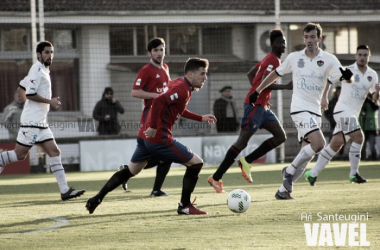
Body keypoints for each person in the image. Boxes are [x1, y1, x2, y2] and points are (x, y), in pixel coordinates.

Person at [86, 58, 216, 215]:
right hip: (159, 138)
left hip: (144, 136)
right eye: (202, 74)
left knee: (131, 171)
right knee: (196, 163)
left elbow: (176, 108)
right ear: (190, 74)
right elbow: (159, 101)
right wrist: (154, 127)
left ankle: (97, 198)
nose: (205, 78)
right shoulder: (182, 89)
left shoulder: (179, 84)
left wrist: (200, 118)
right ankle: (185, 205)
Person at [251, 23, 353, 199]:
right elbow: (275, 74)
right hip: (299, 109)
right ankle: (289, 171)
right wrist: (258, 90)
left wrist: (347, 78)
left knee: (306, 156)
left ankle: (283, 191)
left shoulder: (329, 59)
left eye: (313, 37)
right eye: (306, 37)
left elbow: (341, 77)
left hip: (315, 111)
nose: (309, 41)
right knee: (320, 144)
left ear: (319, 39)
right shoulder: (294, 58)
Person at [208, 28, 292, 193]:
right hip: (255, 107)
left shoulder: (268, 59)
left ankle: (246, 161)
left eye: (284, 41)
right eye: (279, 42)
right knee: (241, 142)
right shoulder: (273, 60)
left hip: (263, 107)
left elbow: (251, 74)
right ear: (272, 43)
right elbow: (263, 81)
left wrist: (259, 94)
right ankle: (216, 178)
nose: (283, 44)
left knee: (280, 136)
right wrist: (285, 86)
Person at [0, 41, 85, 200]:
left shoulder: (43, 70)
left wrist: (30, 105)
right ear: (39, 54)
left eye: (51, 52)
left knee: (54, 151)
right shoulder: (37, 69)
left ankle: (65, 190)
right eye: (46, 52)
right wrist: (49, 102)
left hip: (40, 122)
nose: (49, 55)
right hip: (32, 123)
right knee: (20, 155)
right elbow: (30, 94)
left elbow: (21, 87)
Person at [305, 45, 379, 185]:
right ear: (356, 56)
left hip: (353, 114)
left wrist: (377, 92)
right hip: (342, 110)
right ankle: (353, 174)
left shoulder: (372, 75)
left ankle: (312, 173)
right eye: (360, 55)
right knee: (359, 137)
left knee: (335, 145)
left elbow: (374, 98)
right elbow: (330, 80)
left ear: (368, 57)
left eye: (365, 55)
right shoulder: (348, 70)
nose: (362, 57)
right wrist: (324, 97)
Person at [118, 37, 173, 196]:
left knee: (161, 157)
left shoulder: (166, 68)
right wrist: (155, 96)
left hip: (163, 119)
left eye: (161, 49)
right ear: (150, 53)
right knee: (165, 155)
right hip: (150, 120)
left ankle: (130, 174)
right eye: (155, 50)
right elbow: (135, 92)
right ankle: (153, 189)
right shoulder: (146, 70)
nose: (159, 53)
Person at [324, 86, 345, 158]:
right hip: (334, 124)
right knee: (333, 139)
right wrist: (331, 119)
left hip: (342, 123)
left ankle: (340, 154)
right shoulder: (332, 102)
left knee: (342, 139)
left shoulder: (343, 102)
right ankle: (330, 154)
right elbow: (326, 113)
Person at [359, 94, 379, 160]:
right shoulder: (361, 101)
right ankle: (363, 158)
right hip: (362, 126)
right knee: (362, 145)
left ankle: (374, 158)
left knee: (372, 144)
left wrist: (369, 100)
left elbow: (376, 107)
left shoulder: (372, 101)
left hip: (371, 126)